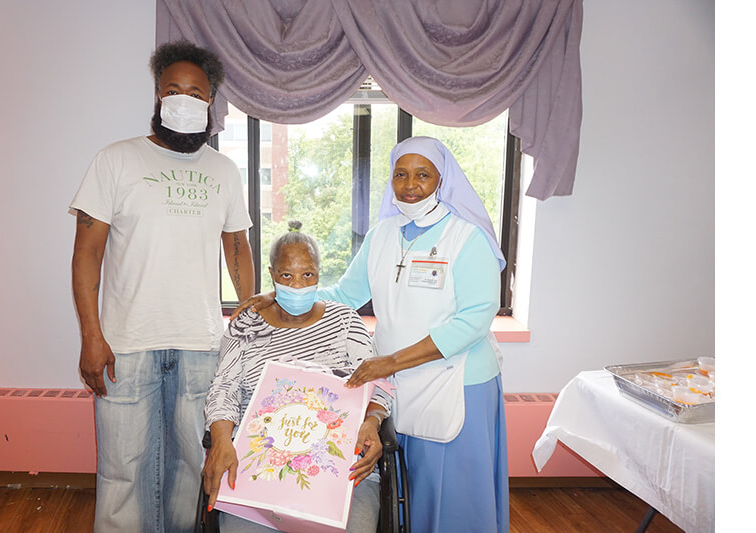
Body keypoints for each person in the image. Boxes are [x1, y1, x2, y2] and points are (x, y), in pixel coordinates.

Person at [234, 137, 509, 532]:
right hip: (397, 384)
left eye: (422, 175)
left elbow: (475, 318)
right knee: (410, 495)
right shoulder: (383, 235)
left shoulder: (466, 238)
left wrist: (390, 361)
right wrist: (278, 294)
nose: (409, 185)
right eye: (400, 174)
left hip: (458, 382)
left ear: (442, 180)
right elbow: (345, 294)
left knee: (454, 501)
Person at [70, 40, 255, 533]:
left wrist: (248, 316)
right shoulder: (116, 160)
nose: (183, 98)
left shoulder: (224, 171)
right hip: (125, 346)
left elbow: (237, 248)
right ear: (156, 94)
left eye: (196, 91)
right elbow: (86, 253)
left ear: (211, 102)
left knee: (188, 471)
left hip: (200, 345)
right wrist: (92, 335)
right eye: (173, 88)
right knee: (121, 472)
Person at [203, 223, 392, 533]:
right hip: (257, 468)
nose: (298, 284)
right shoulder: (246, 325)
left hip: (338, 467)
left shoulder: (345, 321)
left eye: (308, 275)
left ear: (320, 274)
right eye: (286, 276)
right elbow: (223, 389)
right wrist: (222, 439)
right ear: (272, 273)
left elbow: (379, 387)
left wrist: (371, 423)